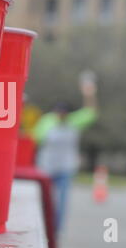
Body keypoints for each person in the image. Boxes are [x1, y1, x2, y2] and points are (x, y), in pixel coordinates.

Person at [31, 75, 98, 237]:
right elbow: (34, 140)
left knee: (61, 204)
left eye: (64, 113)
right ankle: (43, 228)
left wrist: (89, 93)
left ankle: (55, 232)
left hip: (65, 168)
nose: (61, 115)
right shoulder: (47, 121)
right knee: (44, 202)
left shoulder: (74, 122)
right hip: (46, 168)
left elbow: (91, 112)